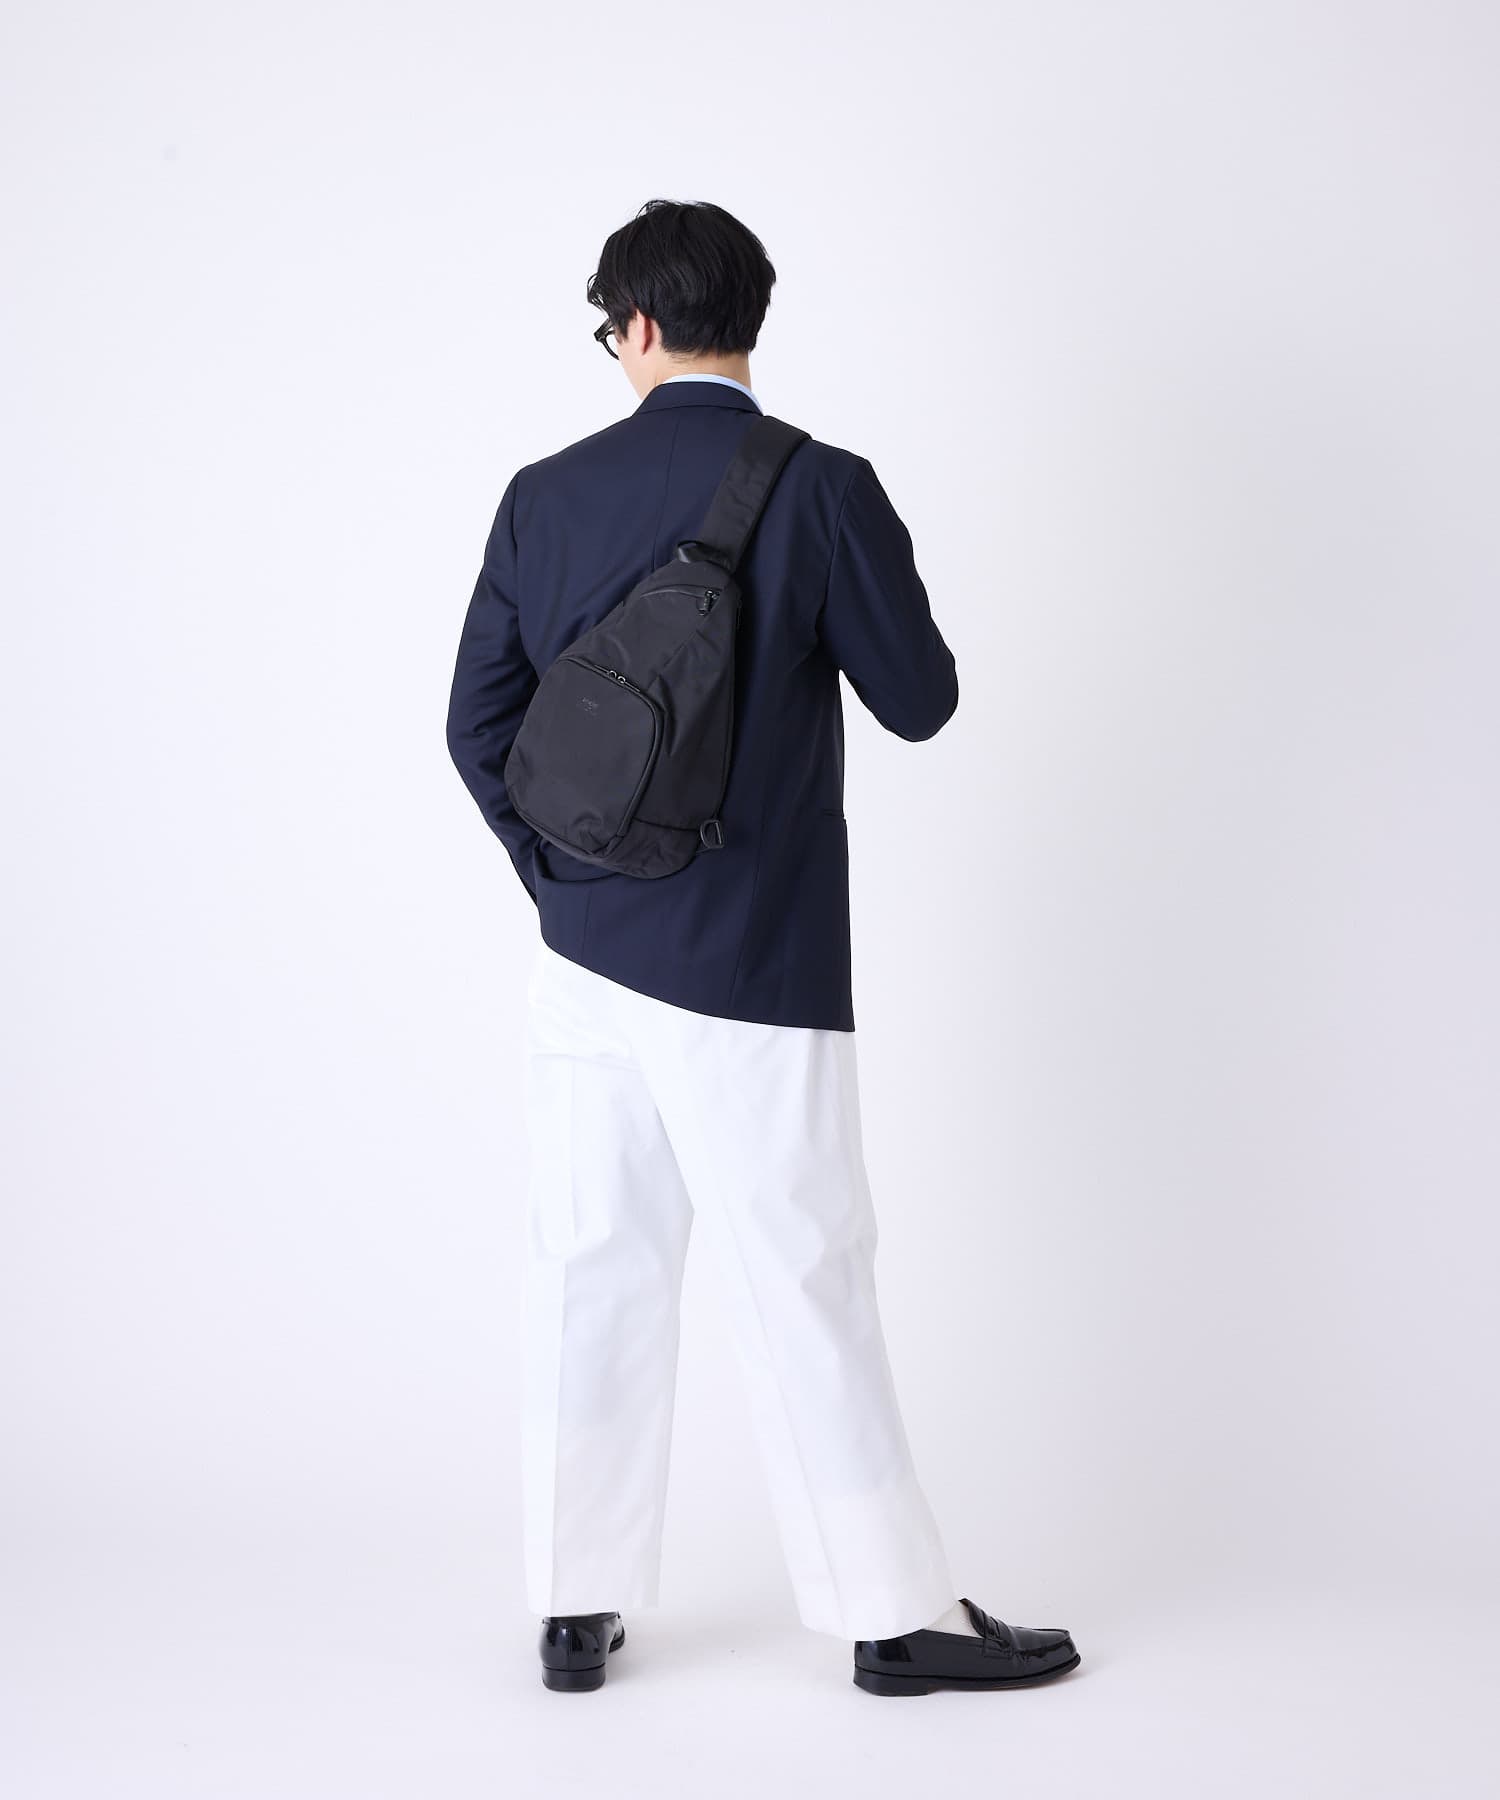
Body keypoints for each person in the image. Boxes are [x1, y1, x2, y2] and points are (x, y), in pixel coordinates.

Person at [445, 198, 1080, 1696]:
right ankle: (891, 1617)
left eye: (610, 331)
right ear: (749, 321)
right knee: (804, 1270)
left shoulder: (542, 495)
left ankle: (575, 1606)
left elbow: (476, 725)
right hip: (755, 956)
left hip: (581, 962)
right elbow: (920, 700)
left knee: (588, 1262)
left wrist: (562, 887)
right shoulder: (822, 484)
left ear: (638, 327)